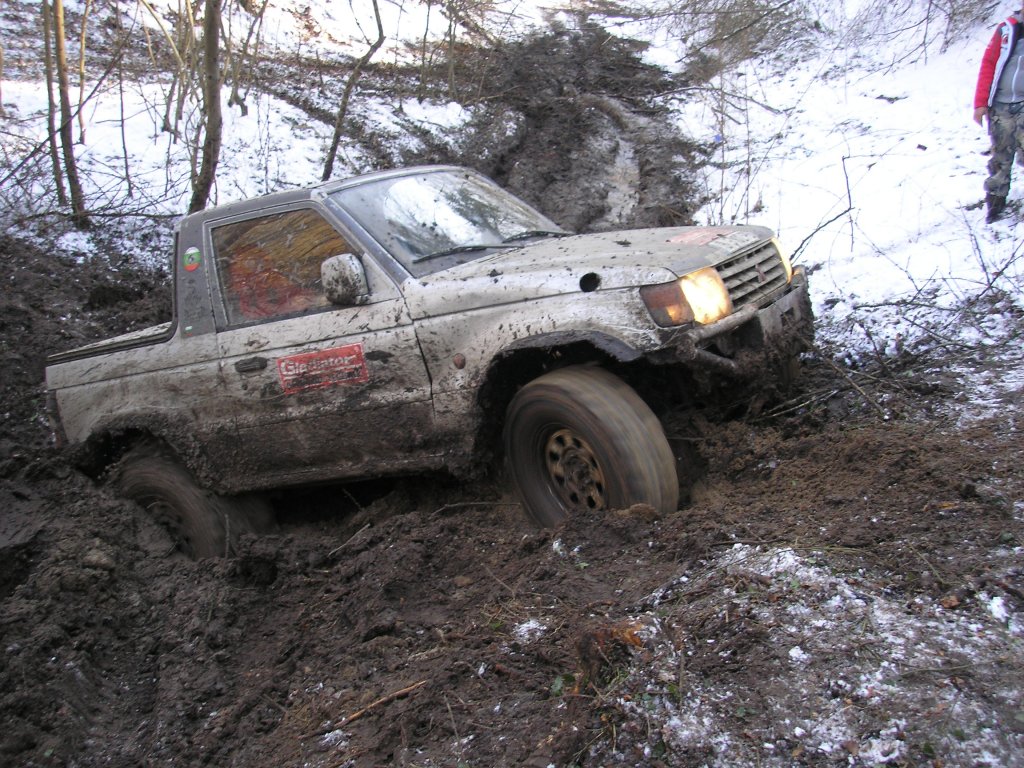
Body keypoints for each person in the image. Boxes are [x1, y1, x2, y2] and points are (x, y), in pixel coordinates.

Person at [974, 6, 1024, 223]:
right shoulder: (1006, 29)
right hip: (1000, 105)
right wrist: (980, 103)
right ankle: (995, 201)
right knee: (1001, 156)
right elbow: (988, 64)